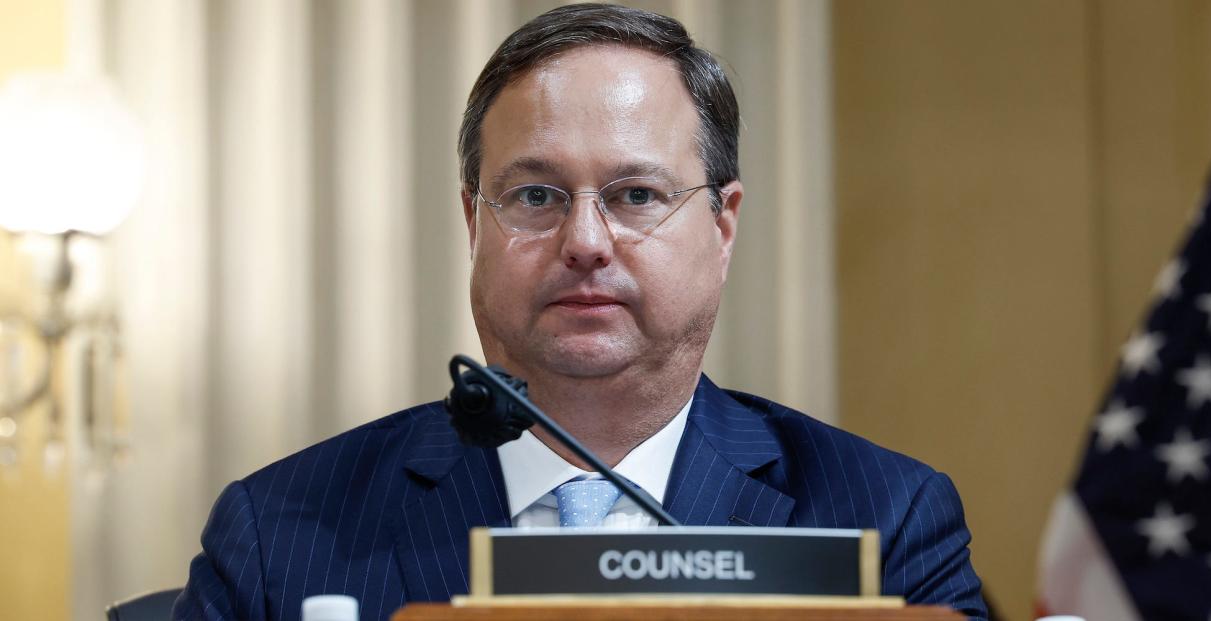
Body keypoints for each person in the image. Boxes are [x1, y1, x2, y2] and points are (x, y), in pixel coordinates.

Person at [174, 4, 987, 620]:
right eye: (535, 195)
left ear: (723, 224)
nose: (586, 241)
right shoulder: (278, 534)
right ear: (473, 222)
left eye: (637, 195)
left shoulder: (884, 521)